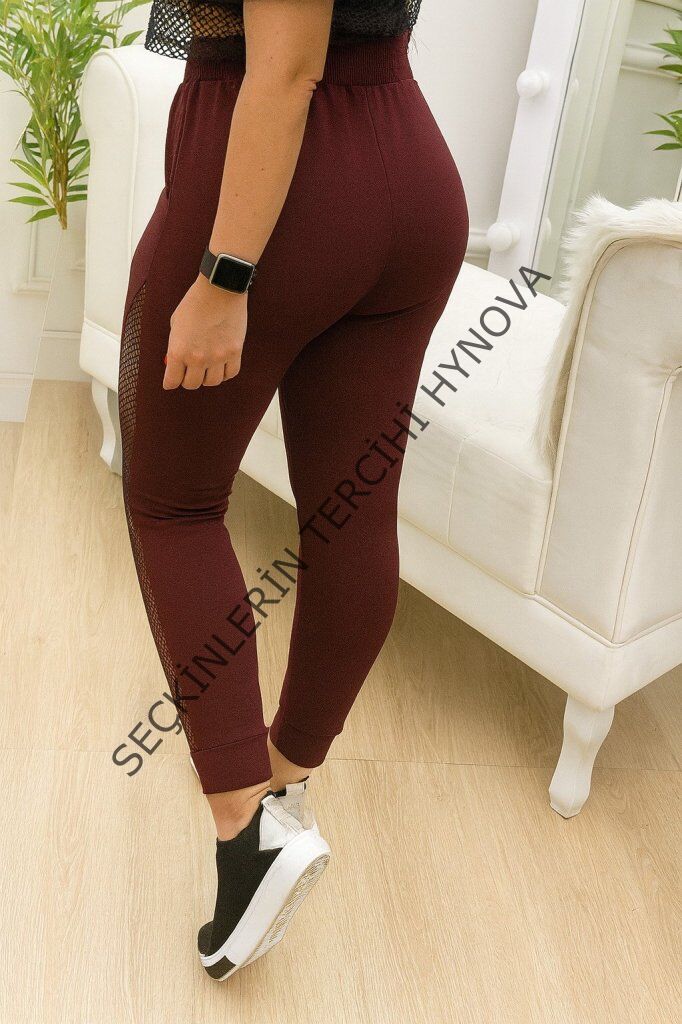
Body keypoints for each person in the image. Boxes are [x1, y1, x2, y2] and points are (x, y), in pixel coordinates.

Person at [119, 0, 469, 980]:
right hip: (406, 168)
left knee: (172, 504)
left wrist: (224, 278)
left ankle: (248, 833)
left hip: (279, 180)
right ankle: (284, 787)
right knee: (351, 513)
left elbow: (286, 66)